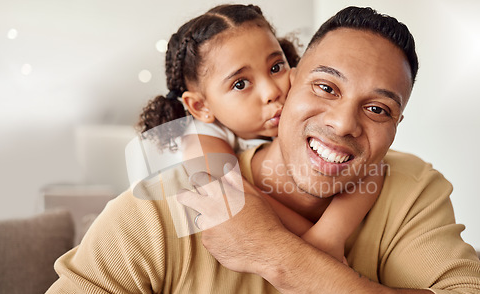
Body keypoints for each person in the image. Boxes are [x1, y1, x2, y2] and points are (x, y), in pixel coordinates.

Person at [11, 6, 480, 294]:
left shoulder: (409, 186)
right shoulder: (174, 196)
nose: (343, 123)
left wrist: (273, 252)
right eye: (327, 88)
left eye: (377, 110)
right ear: (300, 83)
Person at [135, 3, 382, 262]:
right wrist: (313, 242)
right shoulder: (201, 137)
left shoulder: (300, 110)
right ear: (201, 106)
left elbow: (373, 173)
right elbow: (238, 196)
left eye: (276, 67)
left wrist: (331, 236)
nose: (271, 92)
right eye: (240, 84)